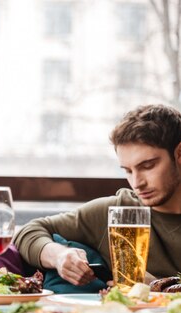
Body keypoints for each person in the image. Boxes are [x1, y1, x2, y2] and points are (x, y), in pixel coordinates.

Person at [15, 104, 181, 289]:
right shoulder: (119, 211)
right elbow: (28, 232)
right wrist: (59, 256)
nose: (137, 182)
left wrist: (159, 288)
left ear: (179, 155)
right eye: (128, 170)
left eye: (148, 166)